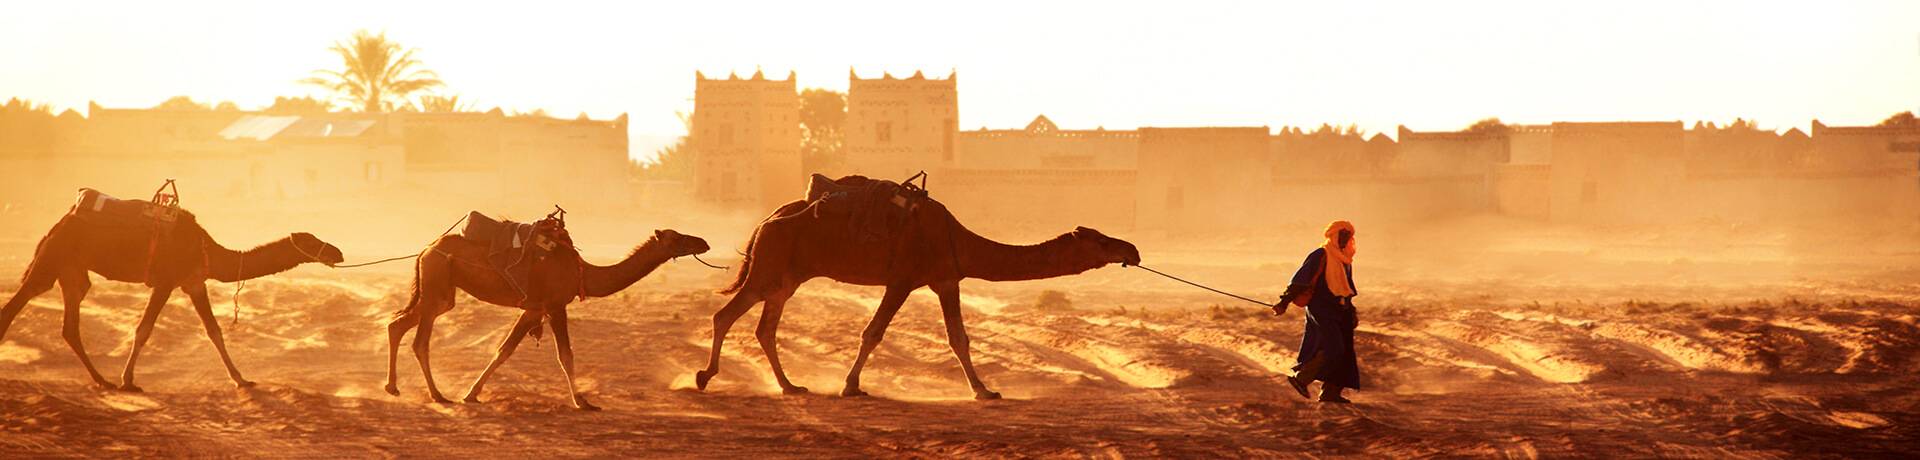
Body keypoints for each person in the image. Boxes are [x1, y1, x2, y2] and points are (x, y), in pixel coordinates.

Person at [1272, 220, 1360, 403]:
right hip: (1321, 308)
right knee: (1334, 347)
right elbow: (1300, 280)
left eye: (1348, 235)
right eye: (1342, 235)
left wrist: (1351, 311)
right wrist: (1284, 302)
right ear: (1333, 235)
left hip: (1341, 309)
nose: (1345, 239)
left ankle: (1330, 392)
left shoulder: (1345, 259)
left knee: (1345, 351)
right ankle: (1301, 379)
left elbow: (1346, 287)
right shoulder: (1320, 254)